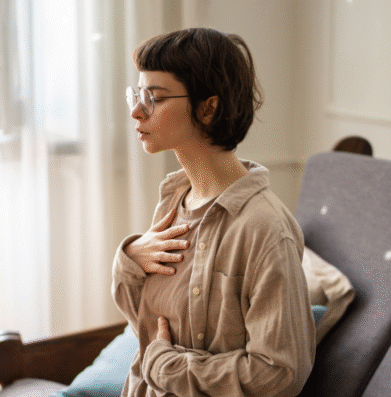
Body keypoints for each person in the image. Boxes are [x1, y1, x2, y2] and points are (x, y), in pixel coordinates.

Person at [111, 27, 315, 397]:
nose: (137, 111)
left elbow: (279, 373)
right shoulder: (175, 201)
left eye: (154, 98)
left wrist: (166, 367)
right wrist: (128, 260)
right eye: (137, 95)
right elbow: (147, 326)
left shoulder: (266, 228)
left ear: (209, 108)